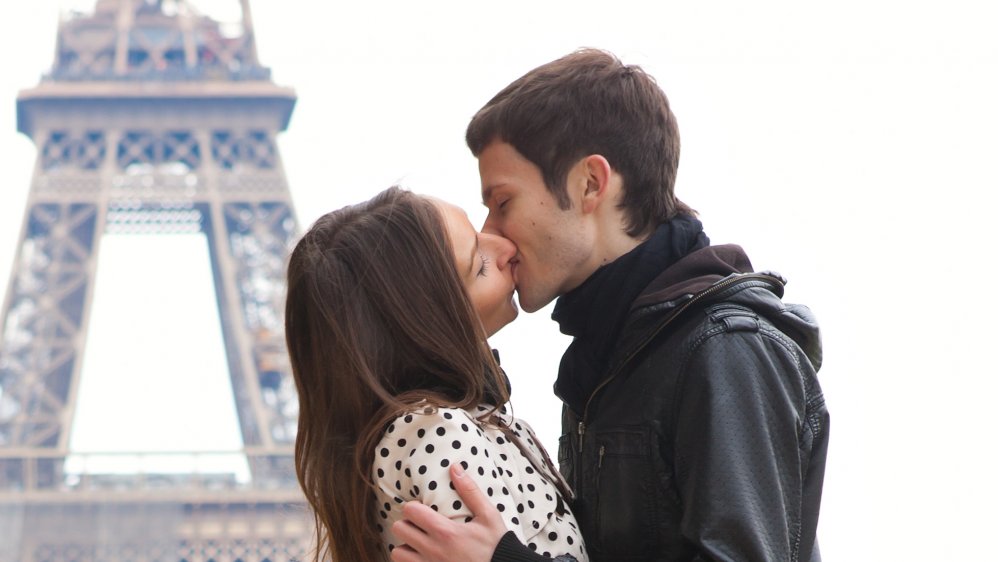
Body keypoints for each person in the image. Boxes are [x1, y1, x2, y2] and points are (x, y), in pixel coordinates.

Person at [392, 49, 829, 562]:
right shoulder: (607, 361)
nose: (492, 234)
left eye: (503, 202)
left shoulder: (727, 349)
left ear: (590, 184)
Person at [284, 186, 589, 562]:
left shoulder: (464, 423)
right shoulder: (438, 430)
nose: (506, 249)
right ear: (421, 327)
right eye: (479, 265)